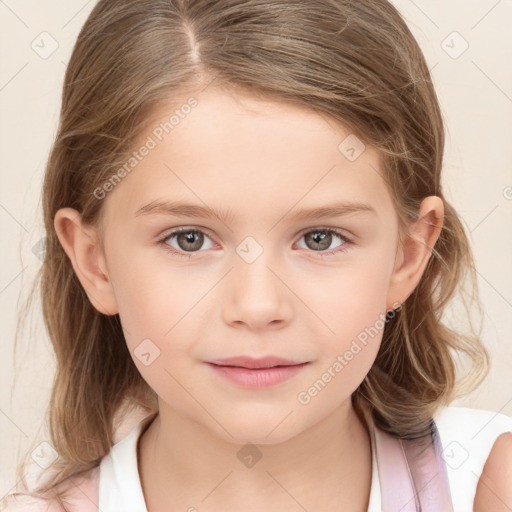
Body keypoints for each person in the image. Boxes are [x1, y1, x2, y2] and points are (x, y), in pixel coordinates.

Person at [2, 0, 511, 510]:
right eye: (189, 239)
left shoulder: (490, 484)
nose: (257, 306)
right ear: (95, 262)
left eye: (320, 238)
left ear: (408, 255)